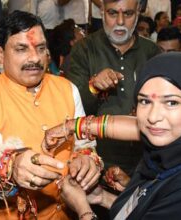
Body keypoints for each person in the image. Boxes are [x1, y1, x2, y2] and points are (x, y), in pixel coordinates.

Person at [45, 52, 181, 219]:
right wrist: (104, 198)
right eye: (145, 101)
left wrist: (83, 210)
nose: (154, 116)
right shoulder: (168, 154)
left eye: (171, 102)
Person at [0, 10, 101, 219]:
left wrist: (87, 162)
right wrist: (11, 170)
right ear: (0, 54)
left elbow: (84, 145)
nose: (35, 58)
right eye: (22, 49)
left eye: (40, 48)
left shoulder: (67, 89)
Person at [66, 0, 160, 176]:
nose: (120, 21)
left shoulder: (152, 53)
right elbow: (71, 112)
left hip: (144, 163)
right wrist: (93, 87)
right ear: (101, 11)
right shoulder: (84, 50)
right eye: (112, 13)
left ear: (139, 12)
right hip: (94, 163)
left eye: (128, 14)